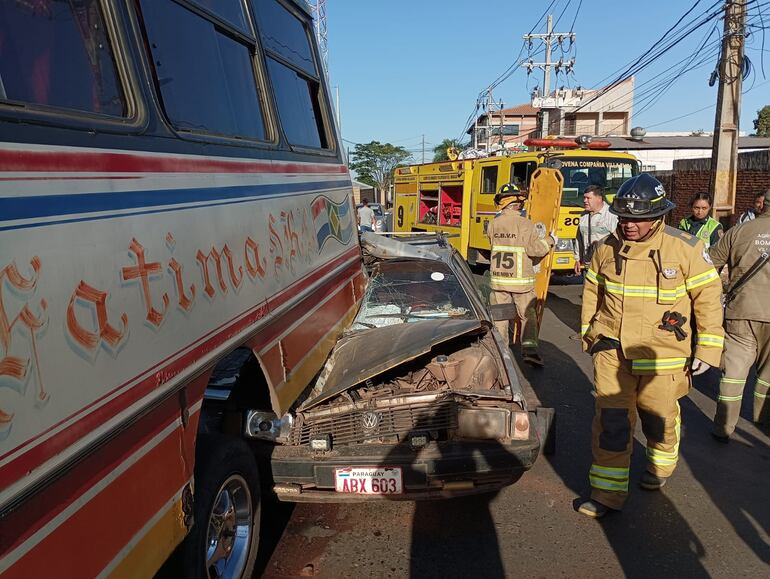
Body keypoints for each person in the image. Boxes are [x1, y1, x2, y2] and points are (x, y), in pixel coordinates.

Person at [578, 174, 724, 518]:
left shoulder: (685, 249)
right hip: (613, 349)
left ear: (658, 216)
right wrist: (590, 336)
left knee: (658, 420)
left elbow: (709, 300)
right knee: (611, 421)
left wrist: (707, 349)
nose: (629, 225)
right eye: (624, 217)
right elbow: (591, 296)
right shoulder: (605, 249)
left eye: (638, 219)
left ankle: (660, 466)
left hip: (664, 354)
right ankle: (607, 493)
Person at [708, 188, 770, 442]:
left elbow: (710, 264)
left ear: (763, 203)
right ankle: (762, 420)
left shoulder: (740, 231)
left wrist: (719, 293)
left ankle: (724, 426)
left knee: (734, 371)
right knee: (768, 376)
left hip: (741, 311)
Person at [487, 183, 556, 367]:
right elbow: (534, 250)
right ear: (518, 204)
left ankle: (502, 353)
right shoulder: (525, 224)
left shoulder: (493, 224)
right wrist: (550, 240)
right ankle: (530, 351)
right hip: (521, 283)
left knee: (500, 317)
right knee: (527, 316)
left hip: (499, 282)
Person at [573, 185, 618, 274]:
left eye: (588, 198)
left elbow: (618, 241)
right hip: (588, 265)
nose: (584, 201)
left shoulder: (611, 216)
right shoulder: (583, 216)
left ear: (599, 199)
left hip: (606, 266)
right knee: (589, 288)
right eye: (584, 198)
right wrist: (577, 259)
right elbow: (579, 239)